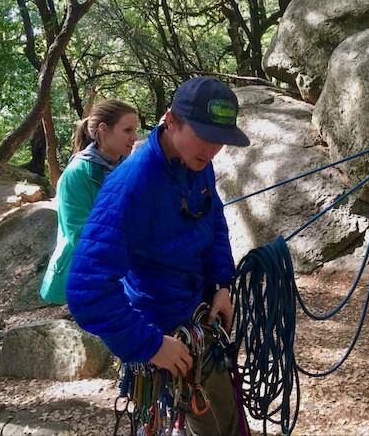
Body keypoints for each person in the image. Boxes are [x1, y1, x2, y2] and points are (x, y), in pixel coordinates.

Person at [66, 77, 250, 435]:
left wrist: (222, 286)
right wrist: (149, 345)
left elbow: (212, 220)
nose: (212, 150)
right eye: (204, 136)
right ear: (170, 120)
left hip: (198, 317)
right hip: (163, 333)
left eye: (220, 141)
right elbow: (86, 290)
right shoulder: (131, 186)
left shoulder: (196, 162)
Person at [40, 99, 139, 305]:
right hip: (84, 274)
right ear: (104, 130)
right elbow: (79, 233)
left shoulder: (128, 167)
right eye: (127, 130)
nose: (134, 137)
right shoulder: (77, 174)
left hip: (121, 272)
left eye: (135, 130)